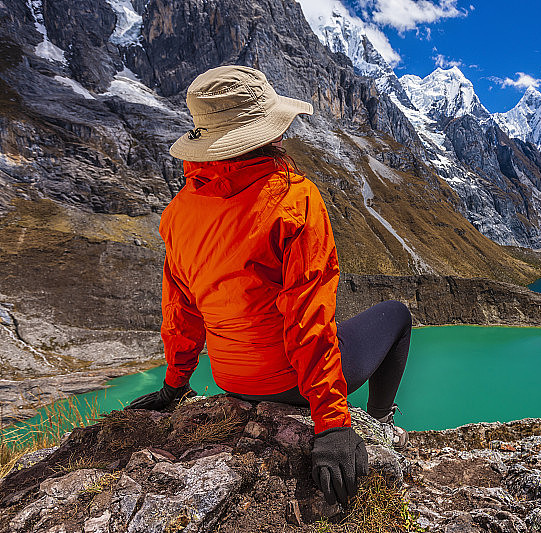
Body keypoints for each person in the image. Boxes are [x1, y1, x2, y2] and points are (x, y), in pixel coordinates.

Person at [126, 65, 412, 507]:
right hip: (291, 385)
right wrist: (334, 425)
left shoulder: (179, 210)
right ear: (268, 135)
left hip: (230, 379)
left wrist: (174, 386)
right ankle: (379, 424)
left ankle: (370, 421)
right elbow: (309, 318)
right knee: (396, 315)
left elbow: (181, 309)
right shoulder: (293, 199)